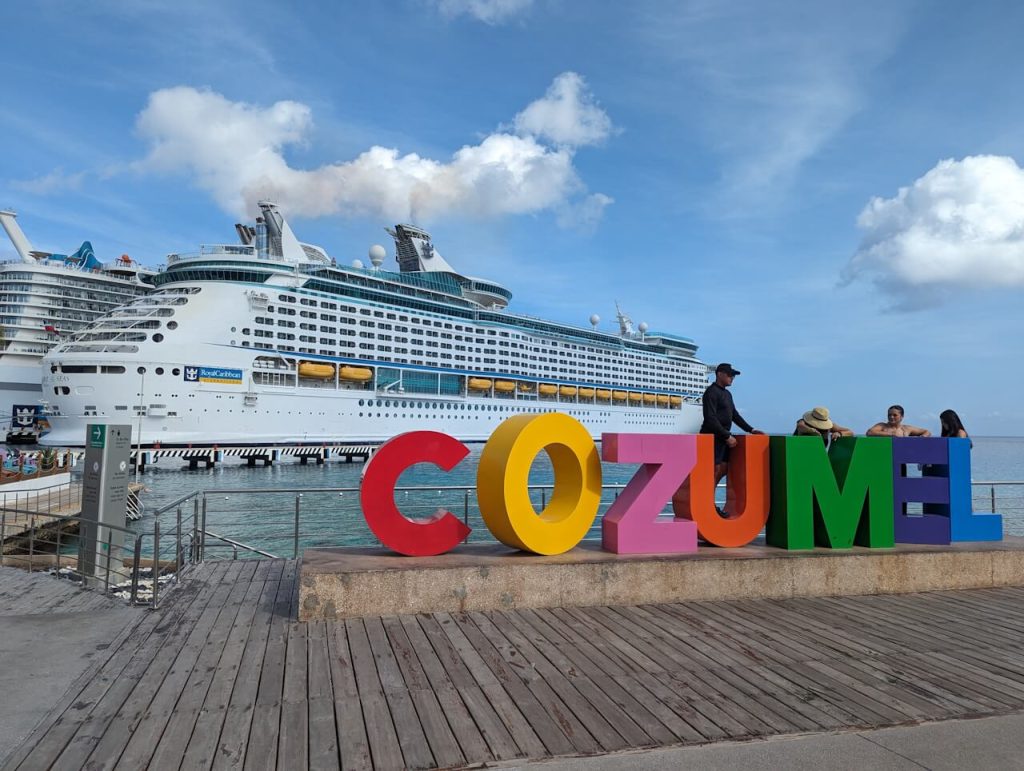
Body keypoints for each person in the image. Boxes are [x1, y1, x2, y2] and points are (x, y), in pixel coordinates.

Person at [700, 363, 764, 492]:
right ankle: (706, 500)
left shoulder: (727, 394)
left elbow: (734, 415)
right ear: (719, 374)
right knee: (714, 469)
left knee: (723, 468)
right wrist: (727, 435)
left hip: (722, 437)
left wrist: (750, 429)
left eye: (733, 375)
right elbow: (710, 418)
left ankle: (709, 499)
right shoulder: (711, 392)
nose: (732, 377)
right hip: (712, 438)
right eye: (729, 375)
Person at [866, 405, 931, 437]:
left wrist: (923, 437)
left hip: (901, 458)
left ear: (902, 416)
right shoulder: (882, 426)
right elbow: (870, 432)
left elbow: (927, 431)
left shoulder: (906, 428)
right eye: (889, 415)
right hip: (885, 456)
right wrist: (892, 434)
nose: (891, 417)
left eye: (895, 415)